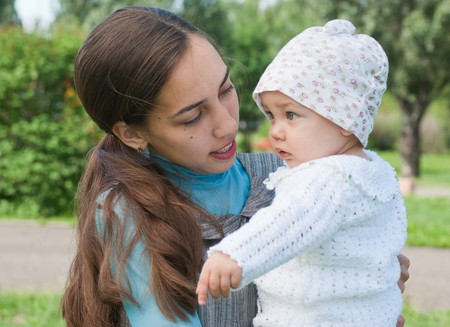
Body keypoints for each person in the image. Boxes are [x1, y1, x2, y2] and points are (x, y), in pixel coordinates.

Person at [60, 7, 409, 327]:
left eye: (226, 90)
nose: (227, 125)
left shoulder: (287, 174)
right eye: (193, 116)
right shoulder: (128, 208)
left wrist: (371, 281)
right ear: (133, 133)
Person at [196, 19, 408, 327]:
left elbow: (285, 223)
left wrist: (233, 255)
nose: (276, 132)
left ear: (344, 118)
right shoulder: (375, 172)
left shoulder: (328, 179)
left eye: (291, 115)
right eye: (271, 115)